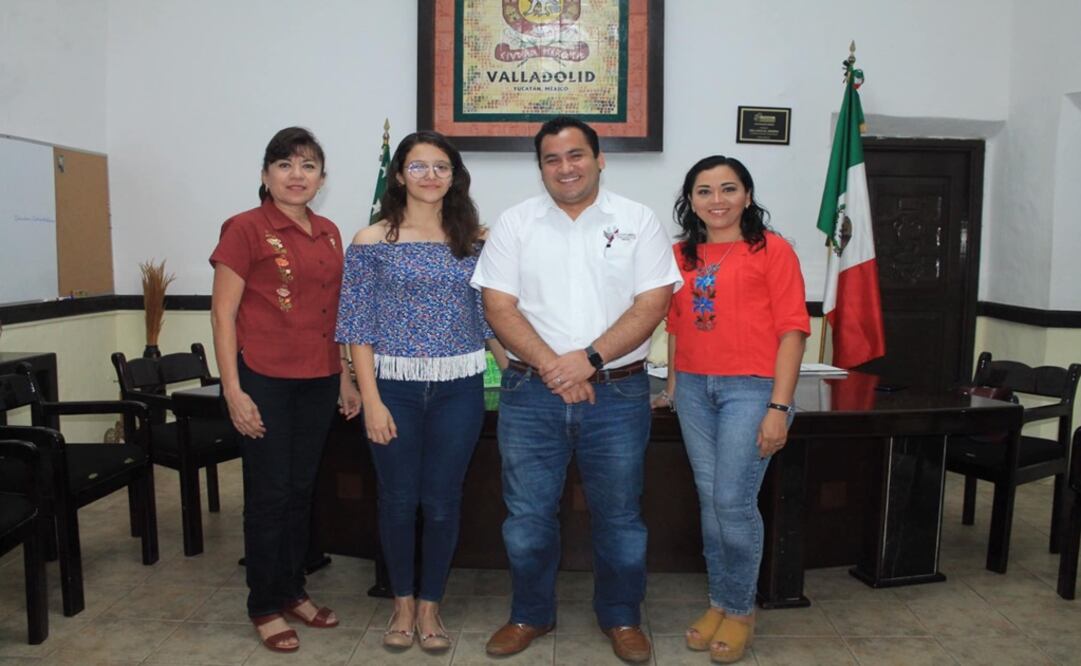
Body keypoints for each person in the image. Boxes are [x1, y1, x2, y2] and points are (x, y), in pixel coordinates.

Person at [471, 116, 682, 663]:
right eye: (552, 159)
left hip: (617, 393)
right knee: (527, 516)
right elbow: (497, 306)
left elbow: (652, 304)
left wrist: (587, 361)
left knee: (619, 515)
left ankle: (622, 617)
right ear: (540, 166)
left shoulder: (638, 221)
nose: (565, 168)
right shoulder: (516, 224)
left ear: (599, 158)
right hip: (530, 392)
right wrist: (554, 368)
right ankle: (529, 614)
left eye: (576, 155)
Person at [335, 130, 505, 653]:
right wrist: (372, 400)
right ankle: (402, 604)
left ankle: (431, 606)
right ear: (399, 174)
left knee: (443, 503)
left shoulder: (473, 241)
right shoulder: (371, 240)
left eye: (441, 167)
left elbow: (487, 318)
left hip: (460, 387)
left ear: (455, 176)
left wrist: (522, 374)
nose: (430, 176)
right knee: (397, 499)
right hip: (394, 388)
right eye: (418, 166)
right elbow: (356, 325)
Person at [210, 127, 361, 654]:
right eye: (285, 165)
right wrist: (233, 389)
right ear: (265, 175)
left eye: (308, 166)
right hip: (265, 379)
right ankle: (264, 604)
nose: (297, 176)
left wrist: (344, 376)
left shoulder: (331, 231)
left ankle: (293, 589)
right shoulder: (244, 228)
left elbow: (335, 312)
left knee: (302, 490)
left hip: (319, 378)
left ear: (322, 178)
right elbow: (223, 314)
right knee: (269, 495)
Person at [658, 155, 809, 663]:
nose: (716, 200)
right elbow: (677, 323)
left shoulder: (772, 249)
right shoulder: (682, 254)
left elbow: (793, 330)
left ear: (747, 194)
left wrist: (778, 406)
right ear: (691, 200)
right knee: (710, 502)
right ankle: (719, 601)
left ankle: (740, 609)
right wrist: (674, 385)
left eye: (728, 188)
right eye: (704, 191)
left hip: (753, 388)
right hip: (697, 390)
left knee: (732, 502)